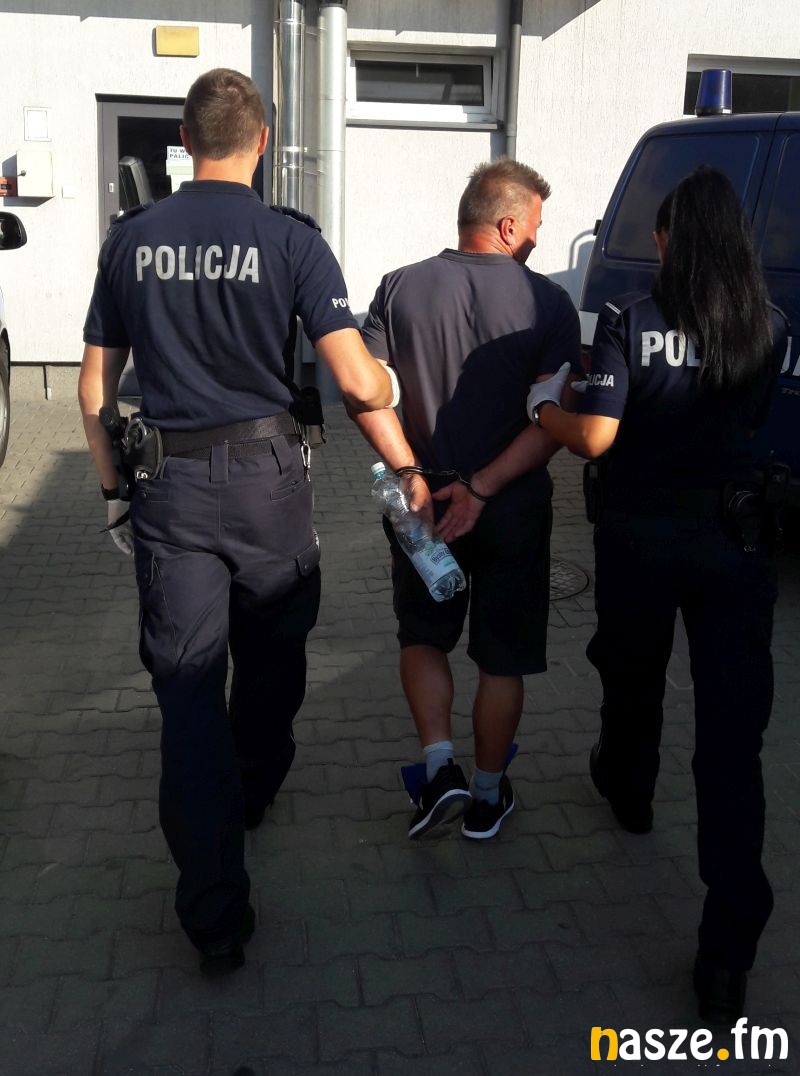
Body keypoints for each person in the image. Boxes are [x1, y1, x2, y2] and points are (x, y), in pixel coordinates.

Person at [78, 68, 397, 975]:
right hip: (269, 485)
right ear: (262, 141)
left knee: (187, 691)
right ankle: (253, 787)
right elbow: (356, 381)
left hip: (168, 487)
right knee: (273, 655)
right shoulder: (293, 239)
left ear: (185, 141)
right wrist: (391, 384)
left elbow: (94, 389)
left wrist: (113, 491)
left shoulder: (131, 240)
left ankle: (215, 918)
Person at [526, 166, 789, 1022]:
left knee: (632, 674)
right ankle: (728, 956)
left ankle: (630, 789)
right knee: (732, 744)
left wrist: (543, 412)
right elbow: (750, 424)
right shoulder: (770, 326)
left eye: (661, 234)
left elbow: (597, 437)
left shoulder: (629, 319)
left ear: (673, 241)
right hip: (736, 542)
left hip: (640, 536)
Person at [355, 158, 581, 841]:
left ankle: (438, 770)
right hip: (512, 505)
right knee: (502, 656)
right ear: (508, 225)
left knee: (423, 637)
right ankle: (485, 797)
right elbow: (554, 421)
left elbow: (366, 392)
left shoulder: (399, 286)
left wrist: (410, 473)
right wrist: (483, 488)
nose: (538, 238)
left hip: (423, 505)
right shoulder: (549, 303)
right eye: (535, 225)